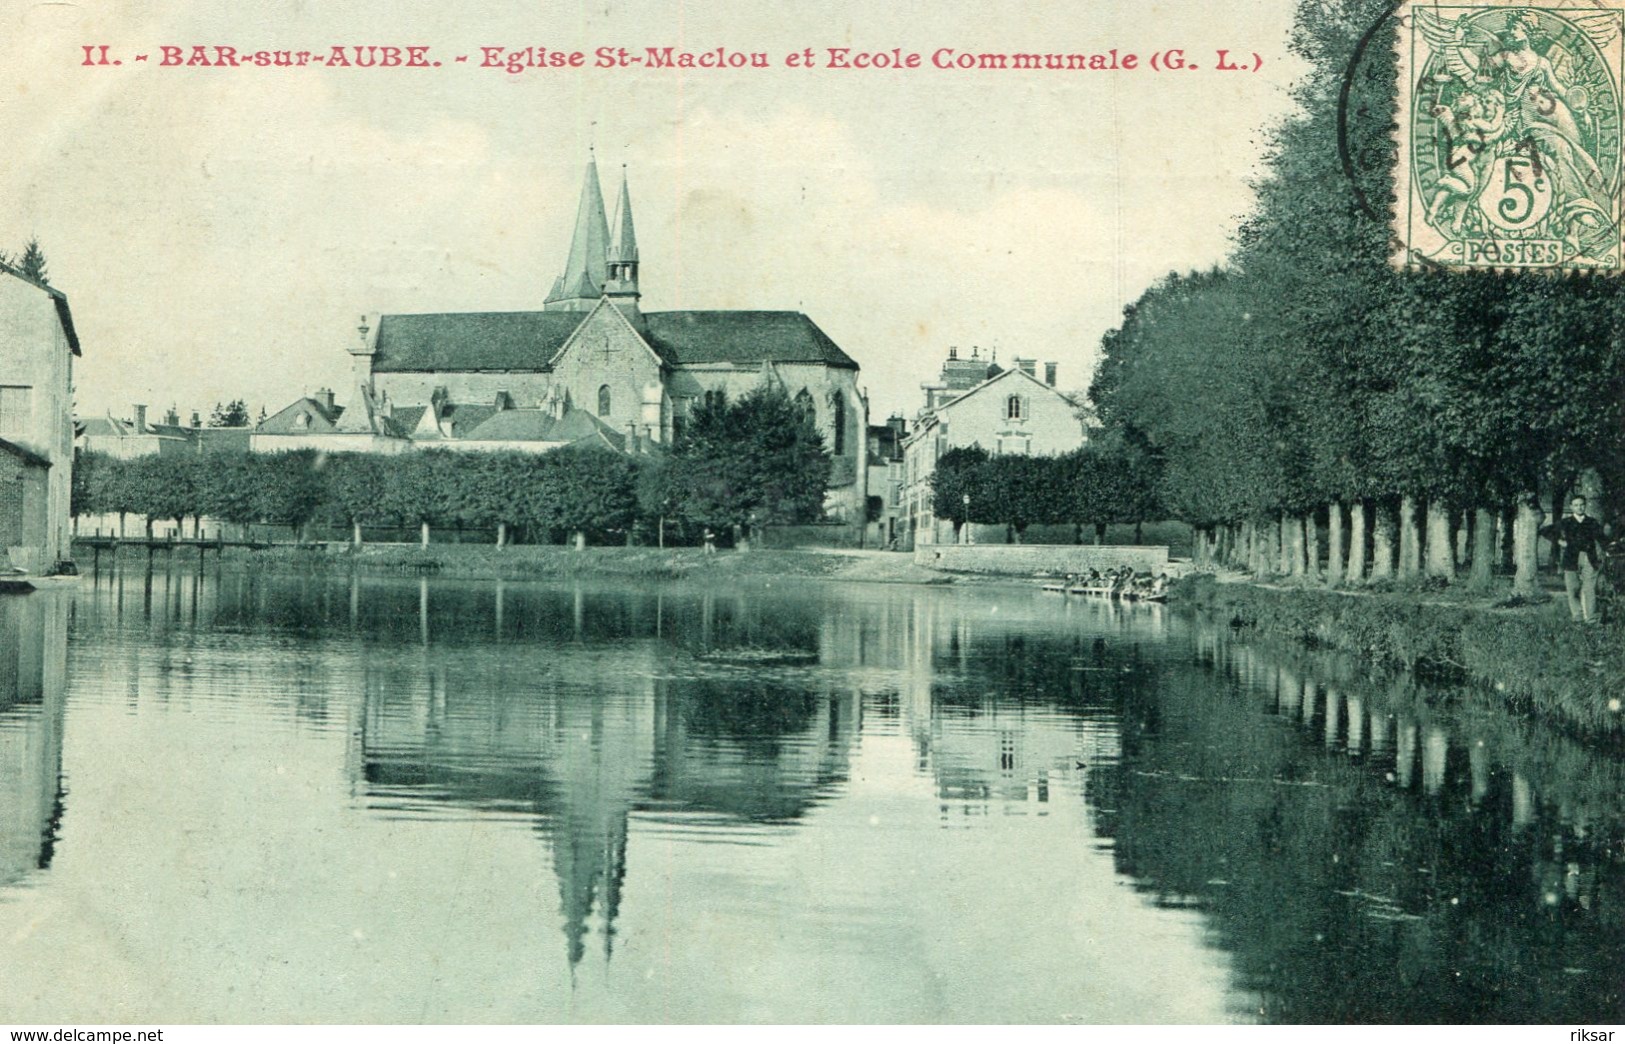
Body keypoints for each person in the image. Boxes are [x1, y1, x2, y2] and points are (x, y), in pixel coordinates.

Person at [1543, 495, 1606, 622]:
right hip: (1571, 558)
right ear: (1571, 507)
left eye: (1581, 504)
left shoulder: (1592, 522)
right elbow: (1546, 531)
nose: (1579, 507)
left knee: (1589, 588)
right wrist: (1560, 541)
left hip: (1589, 557)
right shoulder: (1566, 522)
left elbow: (1602, 538)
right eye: (1576, 505)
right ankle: (1578, 615)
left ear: (1585, 505)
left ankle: (1591, 617)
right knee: (1573, 588)